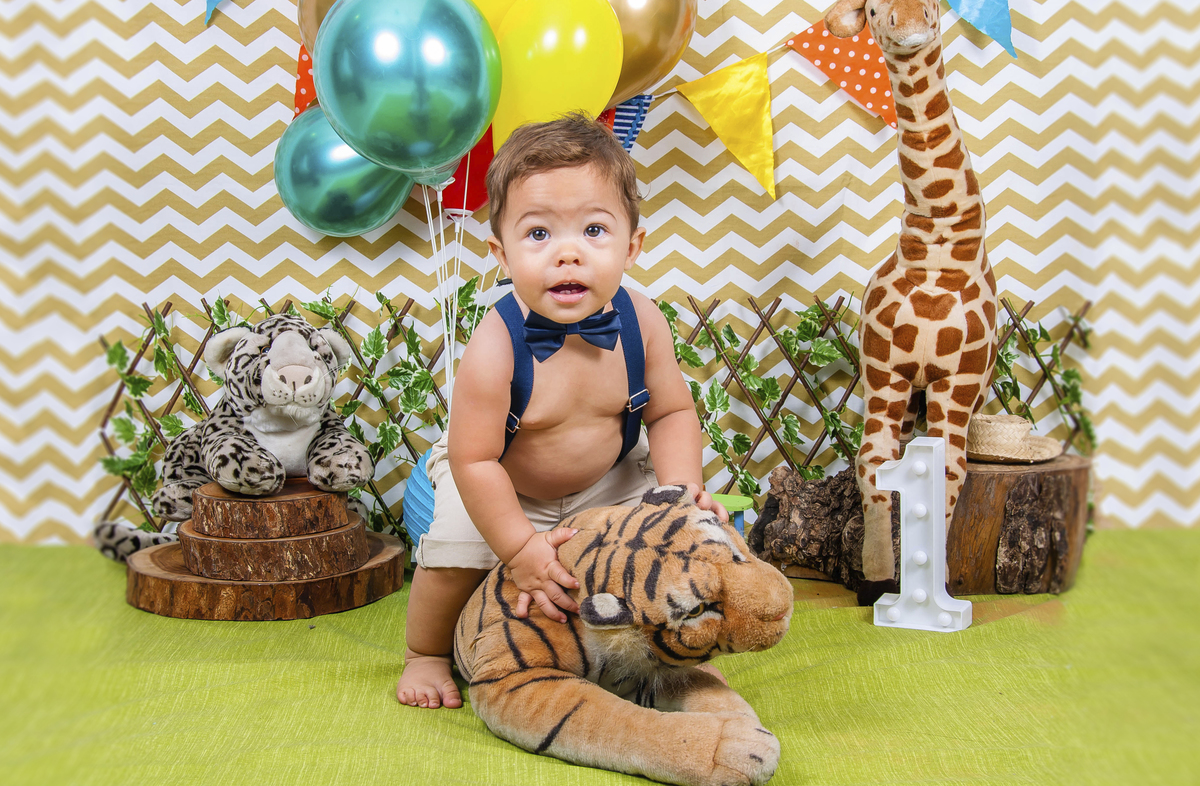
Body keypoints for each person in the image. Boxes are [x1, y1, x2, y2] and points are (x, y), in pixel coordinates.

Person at [397, 114, 727, 709]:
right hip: (499, 480)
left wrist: (680, 494)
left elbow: (672, 413)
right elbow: (474, 459)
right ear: (501, 254)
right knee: (454, 551)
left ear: (632, 246)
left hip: (609, 476)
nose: (568, 254)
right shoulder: (496, 345)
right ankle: (425, 652)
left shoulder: (642, 322)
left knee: (667, 547)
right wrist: (519, 549)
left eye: (594, 230)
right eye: (539, 234)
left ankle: (670, 653)